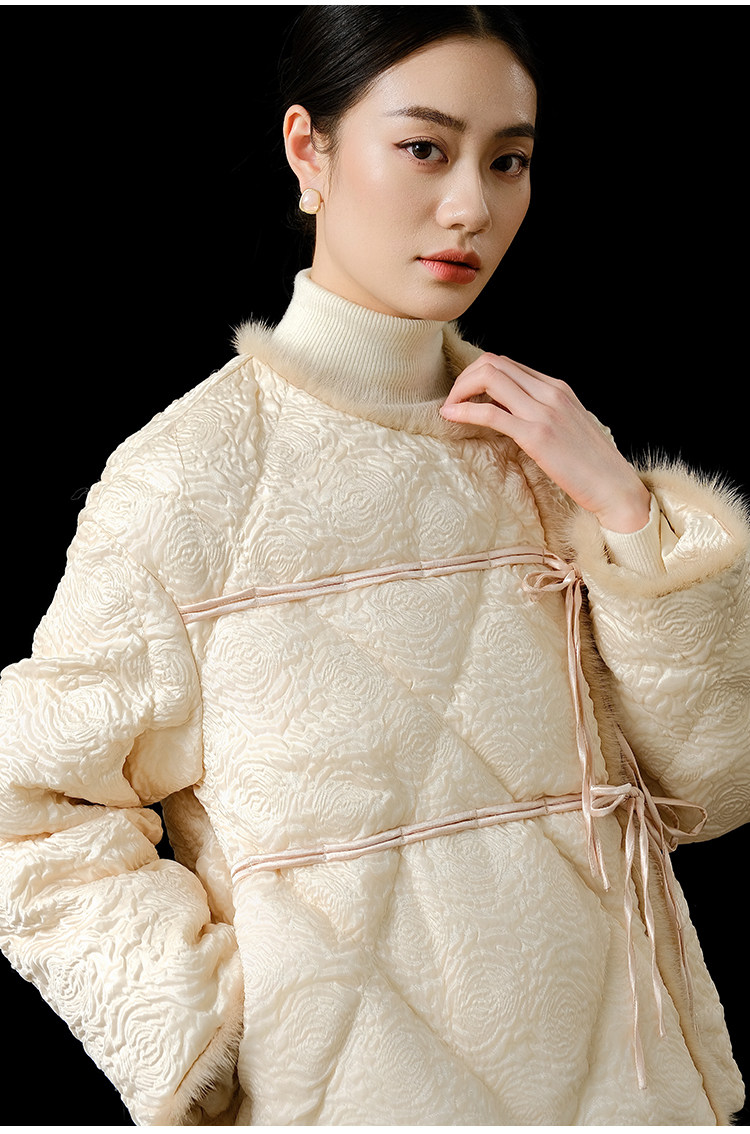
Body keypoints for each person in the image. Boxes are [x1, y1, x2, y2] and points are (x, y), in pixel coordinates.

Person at [0, 4, 747, 1126]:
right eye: (425, 148)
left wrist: (627, 512)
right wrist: (212, 1038)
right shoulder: (188, 480)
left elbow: (709, 794)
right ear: (309, 150)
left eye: (509, 161)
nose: (472, 206)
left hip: (638, 1097)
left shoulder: (543, 448)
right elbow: (26, 811)